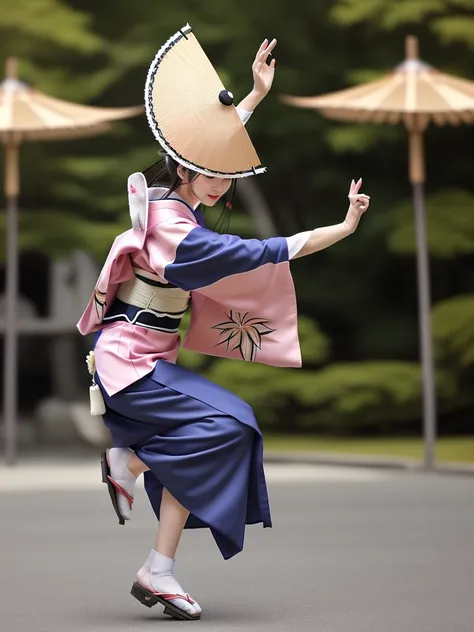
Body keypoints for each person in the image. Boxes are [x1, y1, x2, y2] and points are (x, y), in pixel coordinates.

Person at [77, 24, 370, 622]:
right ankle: (127, 464)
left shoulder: (169, 207)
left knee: (206, 445)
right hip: (129, 366)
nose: (226, 181)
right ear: (187, 171)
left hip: (139, 362)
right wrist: (340, 231)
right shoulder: (183, 237)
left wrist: (254, 97)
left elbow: (212, 145)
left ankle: (158, 570)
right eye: (217, 174)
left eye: (227, 175)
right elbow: (269, 250)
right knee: (234, 426)